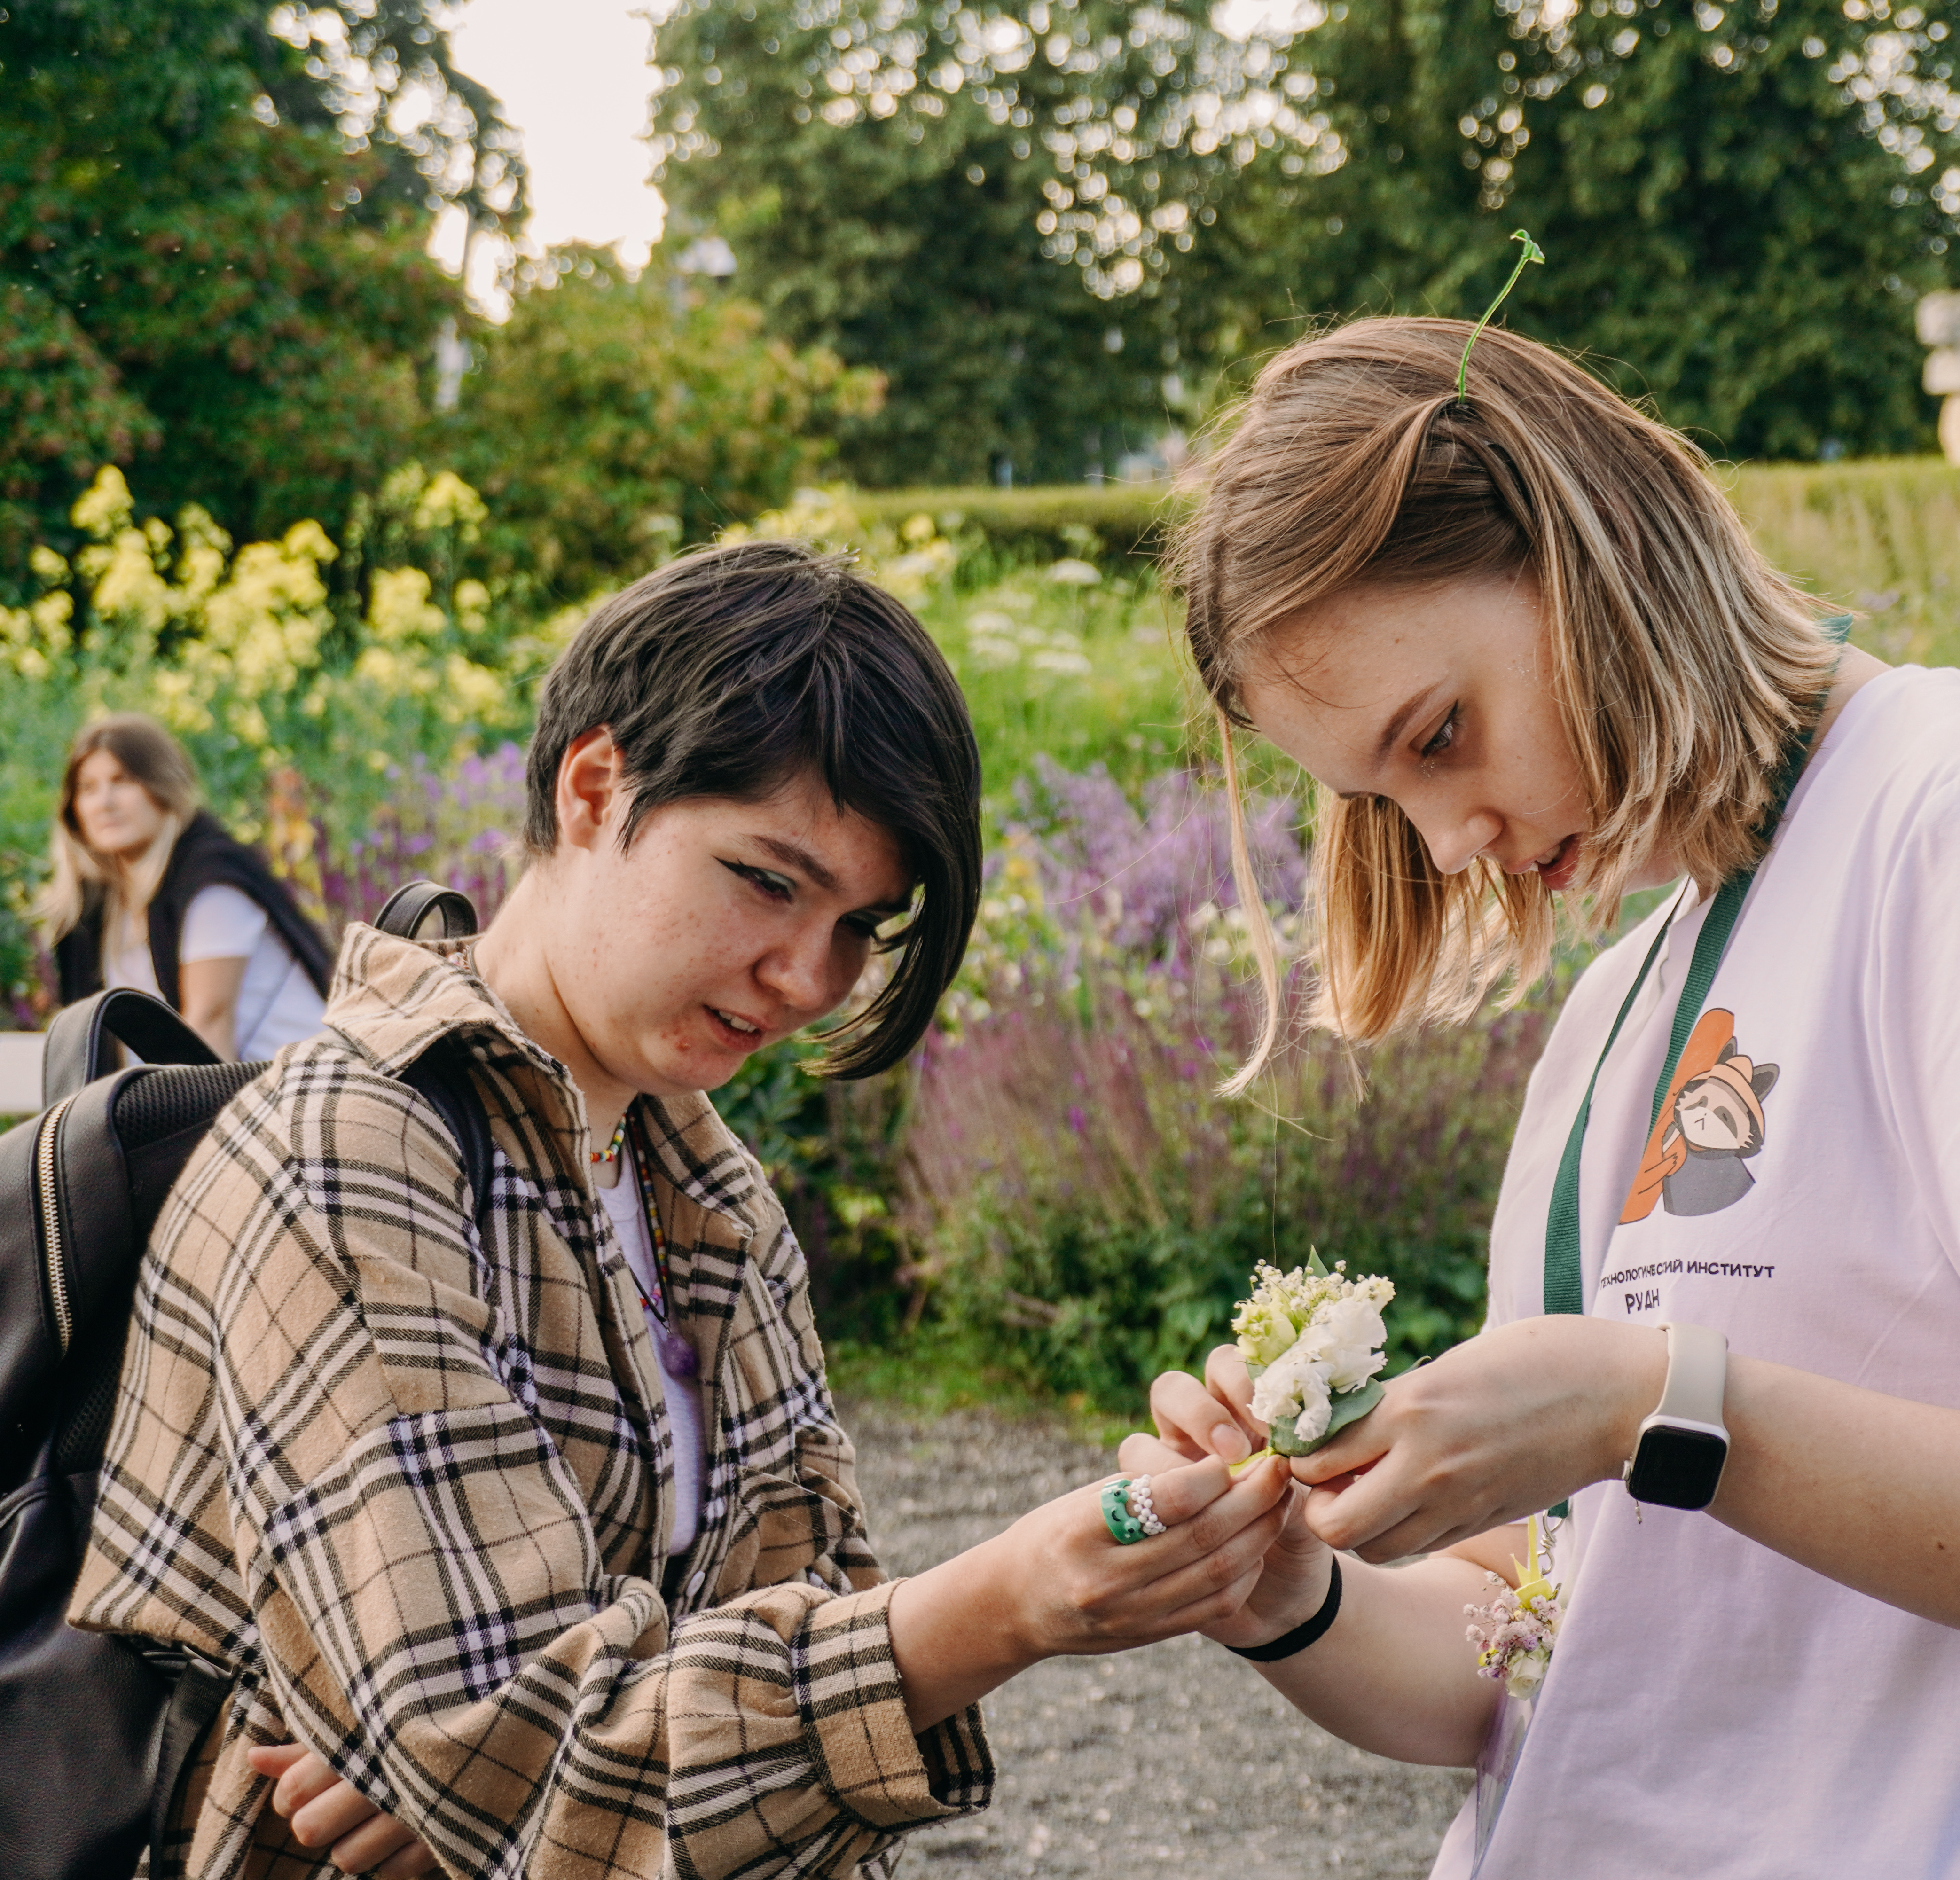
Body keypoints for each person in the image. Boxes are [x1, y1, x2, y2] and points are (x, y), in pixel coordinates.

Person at [1129, 318, 1960, 1877]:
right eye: (1382, 796)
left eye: (1442, 734)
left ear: (1585, 544)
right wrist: (1285, 1588)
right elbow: (1535, 1652)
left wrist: (1658, 1402)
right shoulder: (1622, 1001)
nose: (1446, 843)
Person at [71, 541, 1290, 1880]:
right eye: (768, 881)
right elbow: (522, 1758)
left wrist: (482, 1779)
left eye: (859, 927)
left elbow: (732, 1663)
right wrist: (1002, 1605)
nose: (806, 976)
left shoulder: (706, 1187)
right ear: (593, 788)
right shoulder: (353, 1146)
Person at [39, 713, 337, 1060]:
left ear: (162, 787)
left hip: (297, 1093)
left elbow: (208, 1032)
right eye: (88, 788)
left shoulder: (212, 885)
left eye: (122, 781)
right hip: (203, 1094)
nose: (105, 802)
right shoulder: (104, 906)